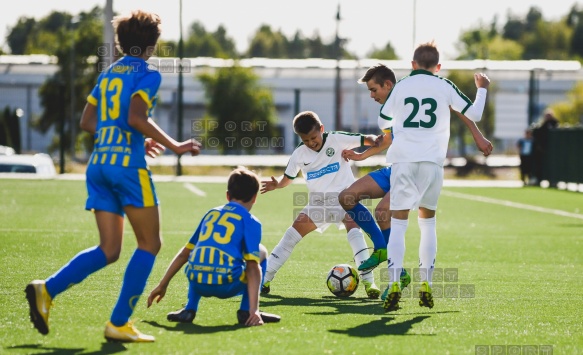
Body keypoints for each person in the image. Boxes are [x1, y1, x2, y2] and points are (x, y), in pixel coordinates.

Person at [25, 10, 201, 342]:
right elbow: (136, 115)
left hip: (99, 165)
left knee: (109, 249)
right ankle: (119, 323)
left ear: (121, 43)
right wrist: (175, 145)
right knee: (150, 243)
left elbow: (88, 121)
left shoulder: (107, 75)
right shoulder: (147, 73)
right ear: (151, 46)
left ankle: (46, 290)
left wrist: (128, 135)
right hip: (127, 169)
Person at [339, 64, 492, 300]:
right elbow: (388, 138)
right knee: (346, 197)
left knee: (383, 212)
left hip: (414, 169)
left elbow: (458, 108)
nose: (371, 96)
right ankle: (381, 248)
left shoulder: (411, 90)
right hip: (395, 168)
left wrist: (477, 134)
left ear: (387, 85)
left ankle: (398, 277)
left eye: (373, 90)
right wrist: (361, 155)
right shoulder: (395, 103)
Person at [378, 41, 490, 312]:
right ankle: (426, 282)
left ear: (413, 64)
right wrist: (482, 88)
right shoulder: (444, 86)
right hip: (431, 163)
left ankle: (394, 282)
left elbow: (383, 120)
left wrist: (402, 125)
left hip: (404, 161)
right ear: (438, 67)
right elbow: (474, 113)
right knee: (428, 223)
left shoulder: (401, 85)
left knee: (399, 224)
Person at [260, 110, 383, 299]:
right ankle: (265, 279)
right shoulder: (299, 154)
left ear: (322, 129)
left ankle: (369, 283)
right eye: (305, 139)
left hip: (345, 201)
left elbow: (365, 139)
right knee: (290, 236)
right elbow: (287, 178)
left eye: (313, 137)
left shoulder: (337, 139)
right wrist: (277, 184)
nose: (311, 143)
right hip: (318, 204)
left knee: (355, 230)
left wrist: (375, 139)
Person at [147, 167, 281, 326]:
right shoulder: (252, 221)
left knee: (200, 254)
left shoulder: (211, 214)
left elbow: (185, 253)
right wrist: (255, 309)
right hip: (226, 285)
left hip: (198, 283)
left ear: (227, 195)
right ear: (254, 198)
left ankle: (190, 308)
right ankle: (248, 312)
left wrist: (163, 285)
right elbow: (252, 267)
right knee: (260, 254)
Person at [532, 109, 559, 185]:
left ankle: (553, 181)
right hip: (543, 150)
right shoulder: (542, 125)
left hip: (553, 150)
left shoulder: (554, 123)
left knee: (552, 166)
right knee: (540, 165)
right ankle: (538, 179)